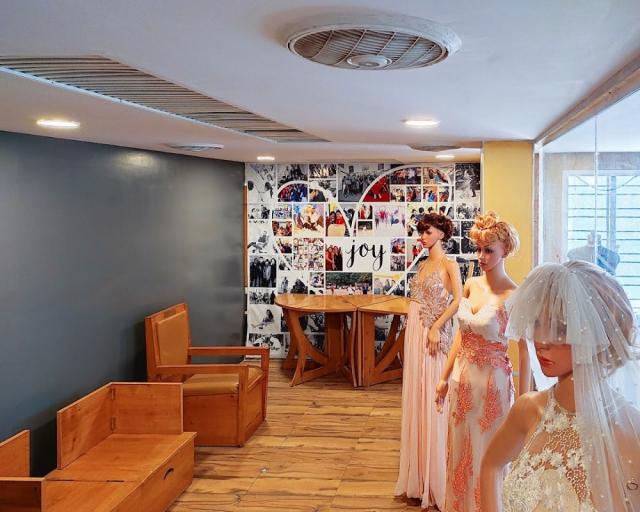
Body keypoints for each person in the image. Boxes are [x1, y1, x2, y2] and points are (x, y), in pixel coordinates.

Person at [480, 260, 640, 512]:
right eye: (537, 323)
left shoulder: (629, 431)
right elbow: (490, 464)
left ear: (598, 334)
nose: (542, 340)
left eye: (561, 328)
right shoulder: (528, 410)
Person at [435, 212, 531, 512]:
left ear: (505, 250)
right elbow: (461, 336)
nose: (481, 256)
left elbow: (525, 350)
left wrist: (524, 402)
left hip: (493, 387)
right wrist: (443, 377)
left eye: (488, 250)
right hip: (461, 382)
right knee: (459, 453)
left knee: (488, 455)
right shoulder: (470, 285)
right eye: (478, 249)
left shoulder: (515, 295)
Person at [395, 213, 463, 510]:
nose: (422, 236)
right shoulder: (422, 265)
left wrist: (436, 327)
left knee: (435, 399)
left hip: (434, 335)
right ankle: (419, 475)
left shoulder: (449, 264)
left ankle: (437, 479)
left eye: (428, 231)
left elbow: (459, 300)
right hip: (415, 333)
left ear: (442, 234)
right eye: (421, 232)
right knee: (417, 397)